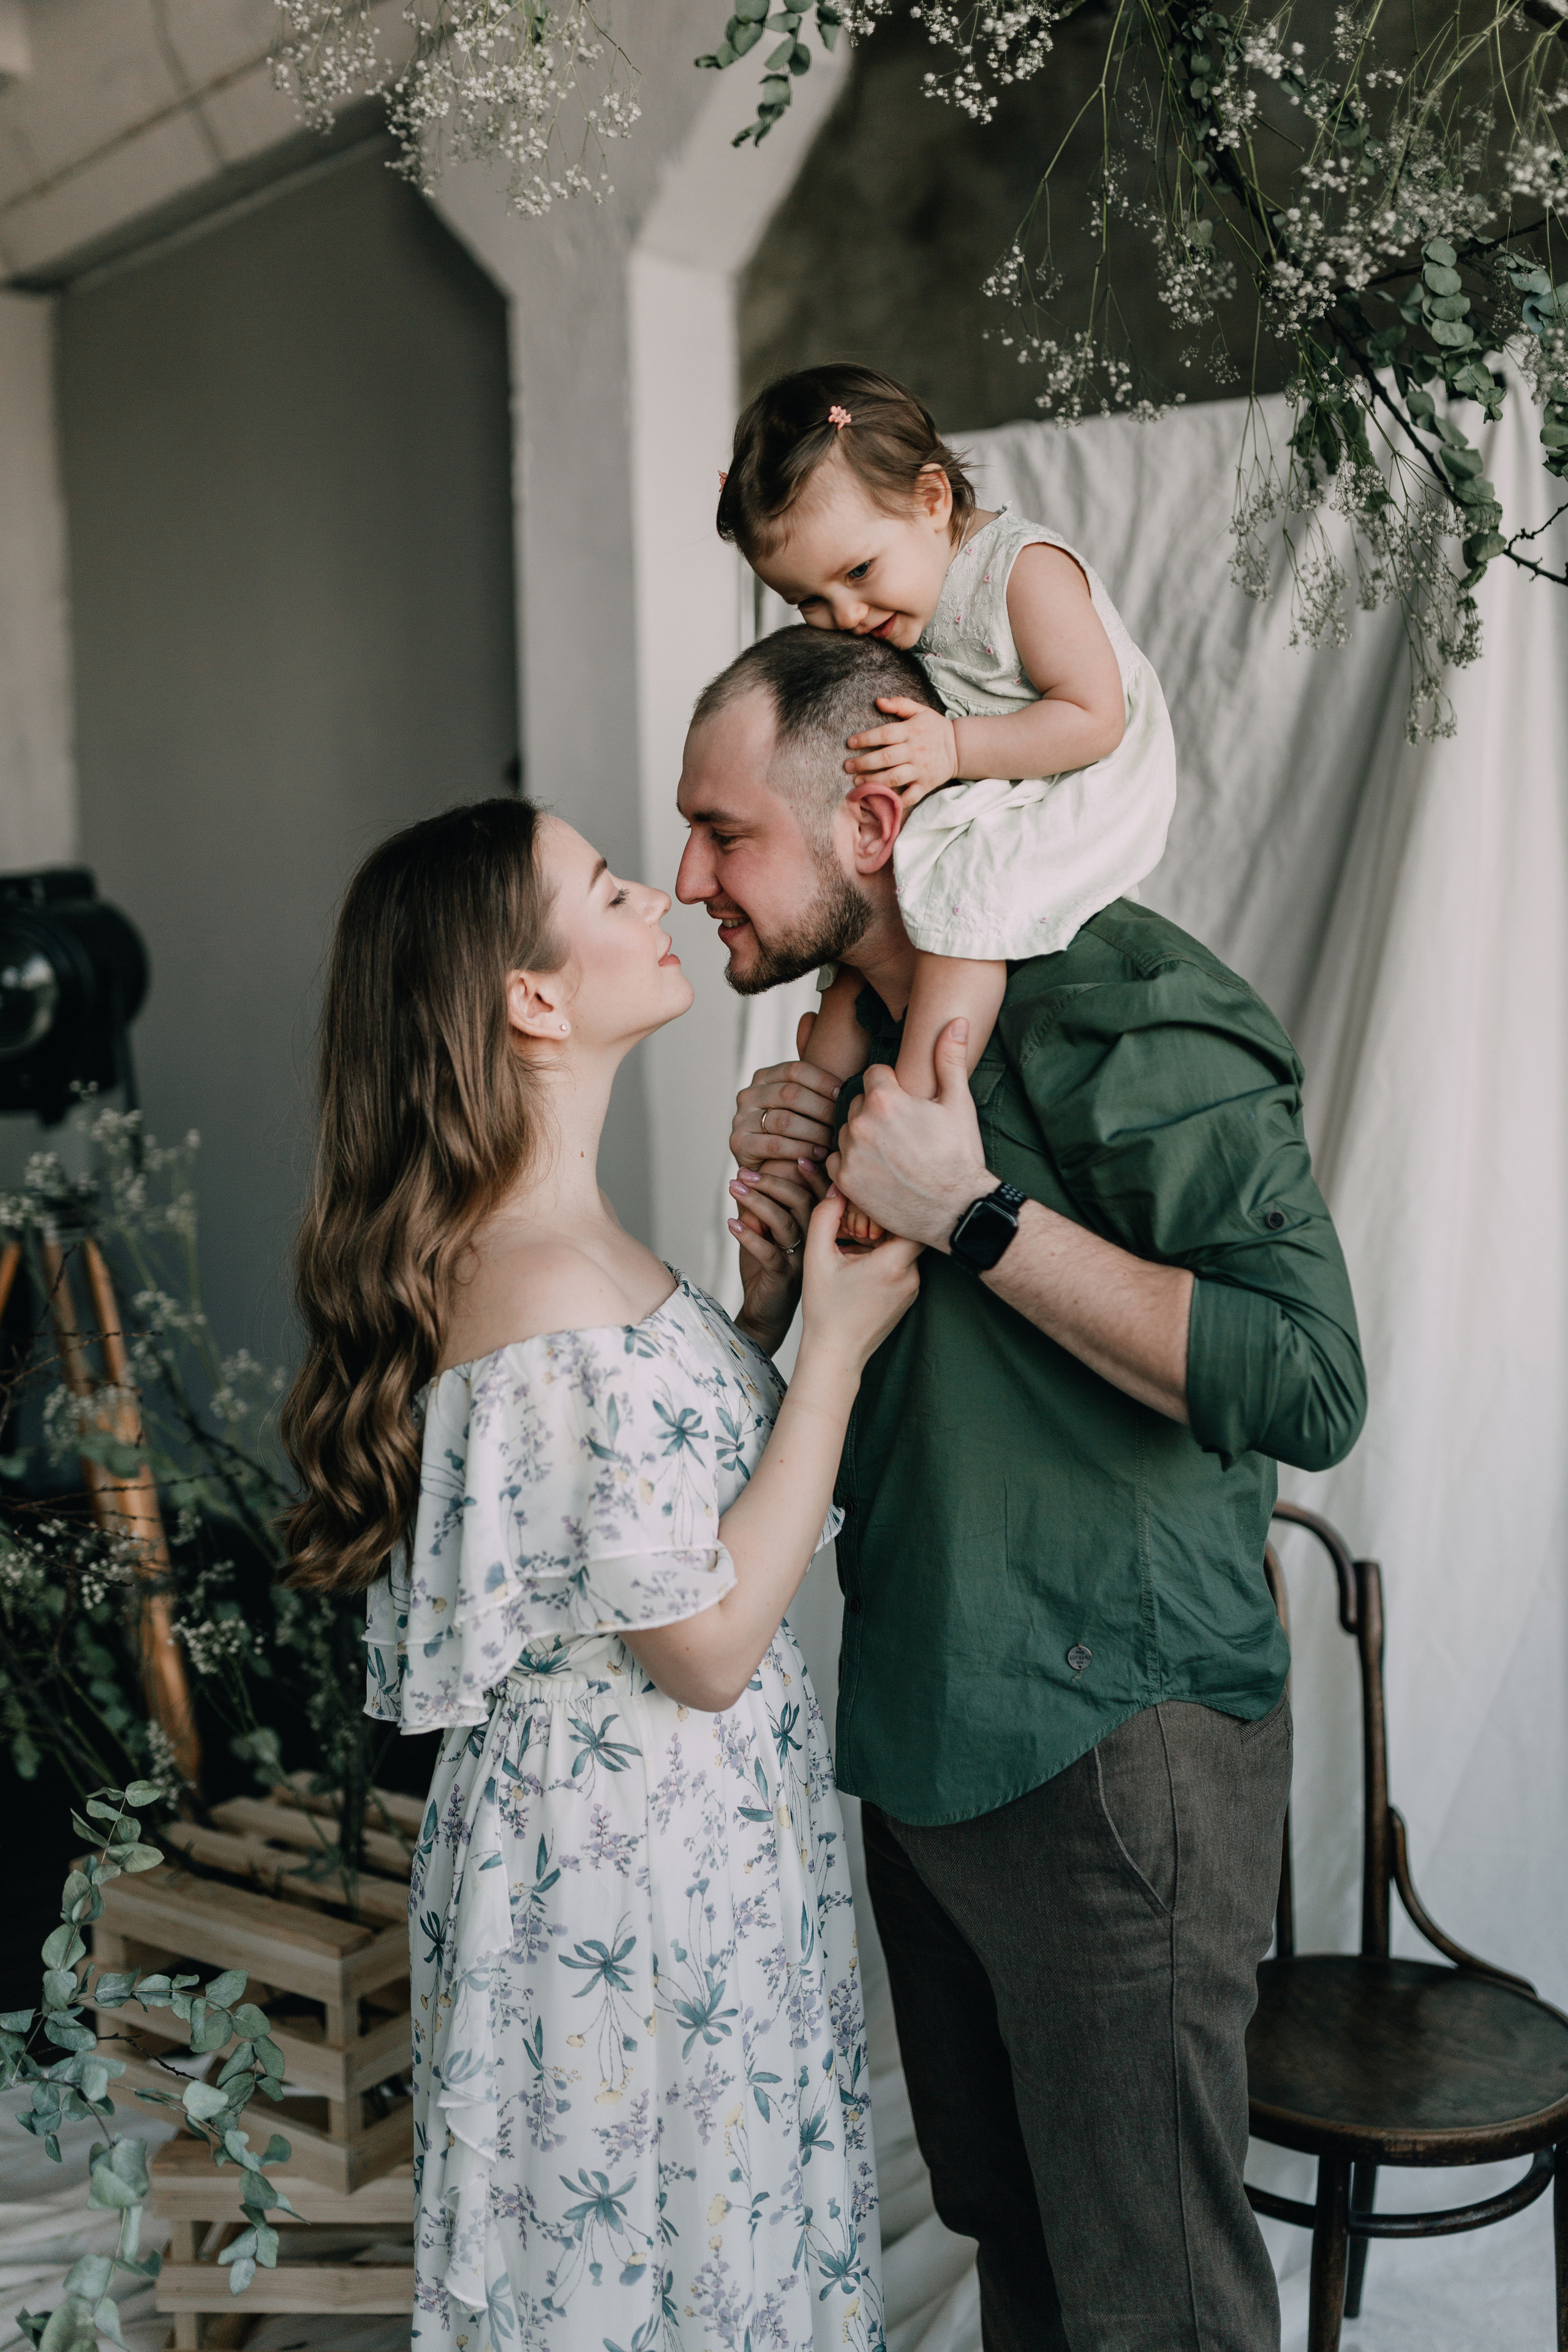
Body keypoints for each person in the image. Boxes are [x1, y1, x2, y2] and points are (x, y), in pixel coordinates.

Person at [675, 628, 1369, 2352]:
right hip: (923, 1741)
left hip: (1112, 1754)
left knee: (1157, 2303)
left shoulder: (1121, 994)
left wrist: (977, 1218)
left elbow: (1309, 1378)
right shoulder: (856, 1038)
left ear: (869, 819)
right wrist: (769, 1285)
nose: (687, 878)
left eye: (722, 831)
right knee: (1021, 2259)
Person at [279, 797, 918, 2352]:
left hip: (671, 1843)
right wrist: (833, 1355)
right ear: (531, 998)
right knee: (661, 2263)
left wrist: (759, 1319)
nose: (655, 894)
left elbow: (639, 1534)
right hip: (622, 1861)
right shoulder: (545, 1283)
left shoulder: (561, 1243)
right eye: (605, 886)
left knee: (698, 2252)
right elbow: (702, 1644)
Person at [716, 363, 1176, 1123]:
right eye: (809, 601)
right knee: (864, 921)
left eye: (858, 571)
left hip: (1070, 780)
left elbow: (1096, 719)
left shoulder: (1021, 572)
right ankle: (808, 1117)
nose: (846, 614)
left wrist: (955, 750)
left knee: (962, 900)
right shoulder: (897, 599)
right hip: (981, 786)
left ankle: (919, 1112)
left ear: (931, 500)